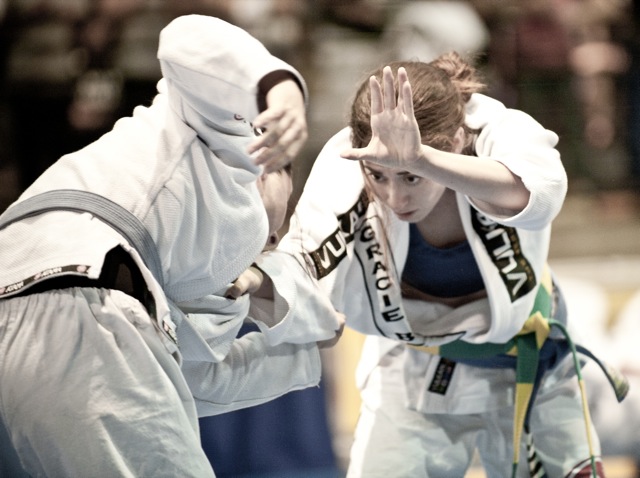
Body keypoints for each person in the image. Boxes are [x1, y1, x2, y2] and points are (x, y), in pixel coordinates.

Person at [0, 14, 342, 477]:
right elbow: (187, 38)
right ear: (274, 162)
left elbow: (192, 379)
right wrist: (282, 91)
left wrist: (303, 354)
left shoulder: (197, 260)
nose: (272, 239)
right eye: (280, 226)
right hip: (77, 297)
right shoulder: (225, 141)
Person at [279, 53, 627, 477]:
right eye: (380, 176)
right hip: (415, 371)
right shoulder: (350, 156)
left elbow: (541, 197)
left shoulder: (498, 130)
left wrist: (422, 159)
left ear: (458, 141)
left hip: (529, 359)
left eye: (409, 178)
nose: (395, 198)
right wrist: (257, 280)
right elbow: (303, 256)